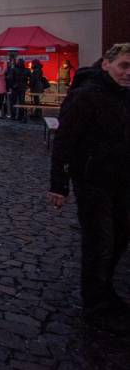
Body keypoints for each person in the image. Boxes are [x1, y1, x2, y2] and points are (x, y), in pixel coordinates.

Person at [48, 43, 130, 335]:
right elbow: (64, 141)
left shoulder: (123, 95)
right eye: (124, 65)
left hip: (121, 179)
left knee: (120, 237)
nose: (127, 73)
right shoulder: (86, 96)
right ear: (107, 64)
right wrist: (59, 184)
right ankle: (95, 303)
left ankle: (105, 292)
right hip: (93, 179)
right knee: (100, 242)